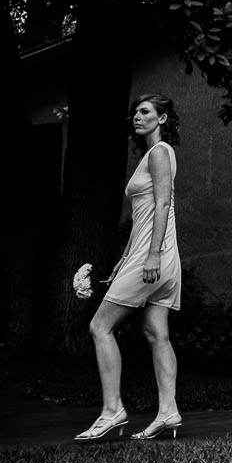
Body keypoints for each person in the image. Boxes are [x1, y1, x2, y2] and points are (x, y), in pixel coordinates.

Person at [75, 93, 184, 442]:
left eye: (145, 111)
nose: (136, 117)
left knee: (99, 326)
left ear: (162, 118)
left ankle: (112, 411)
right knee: (156, 333)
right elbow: (141, 219)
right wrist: (120, 266)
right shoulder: (151, 156)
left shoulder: (160, 152)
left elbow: (164, 203)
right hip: (151, 256)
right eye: (135, 112)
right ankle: (168, 413)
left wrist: (151, 256)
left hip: (155, 256)